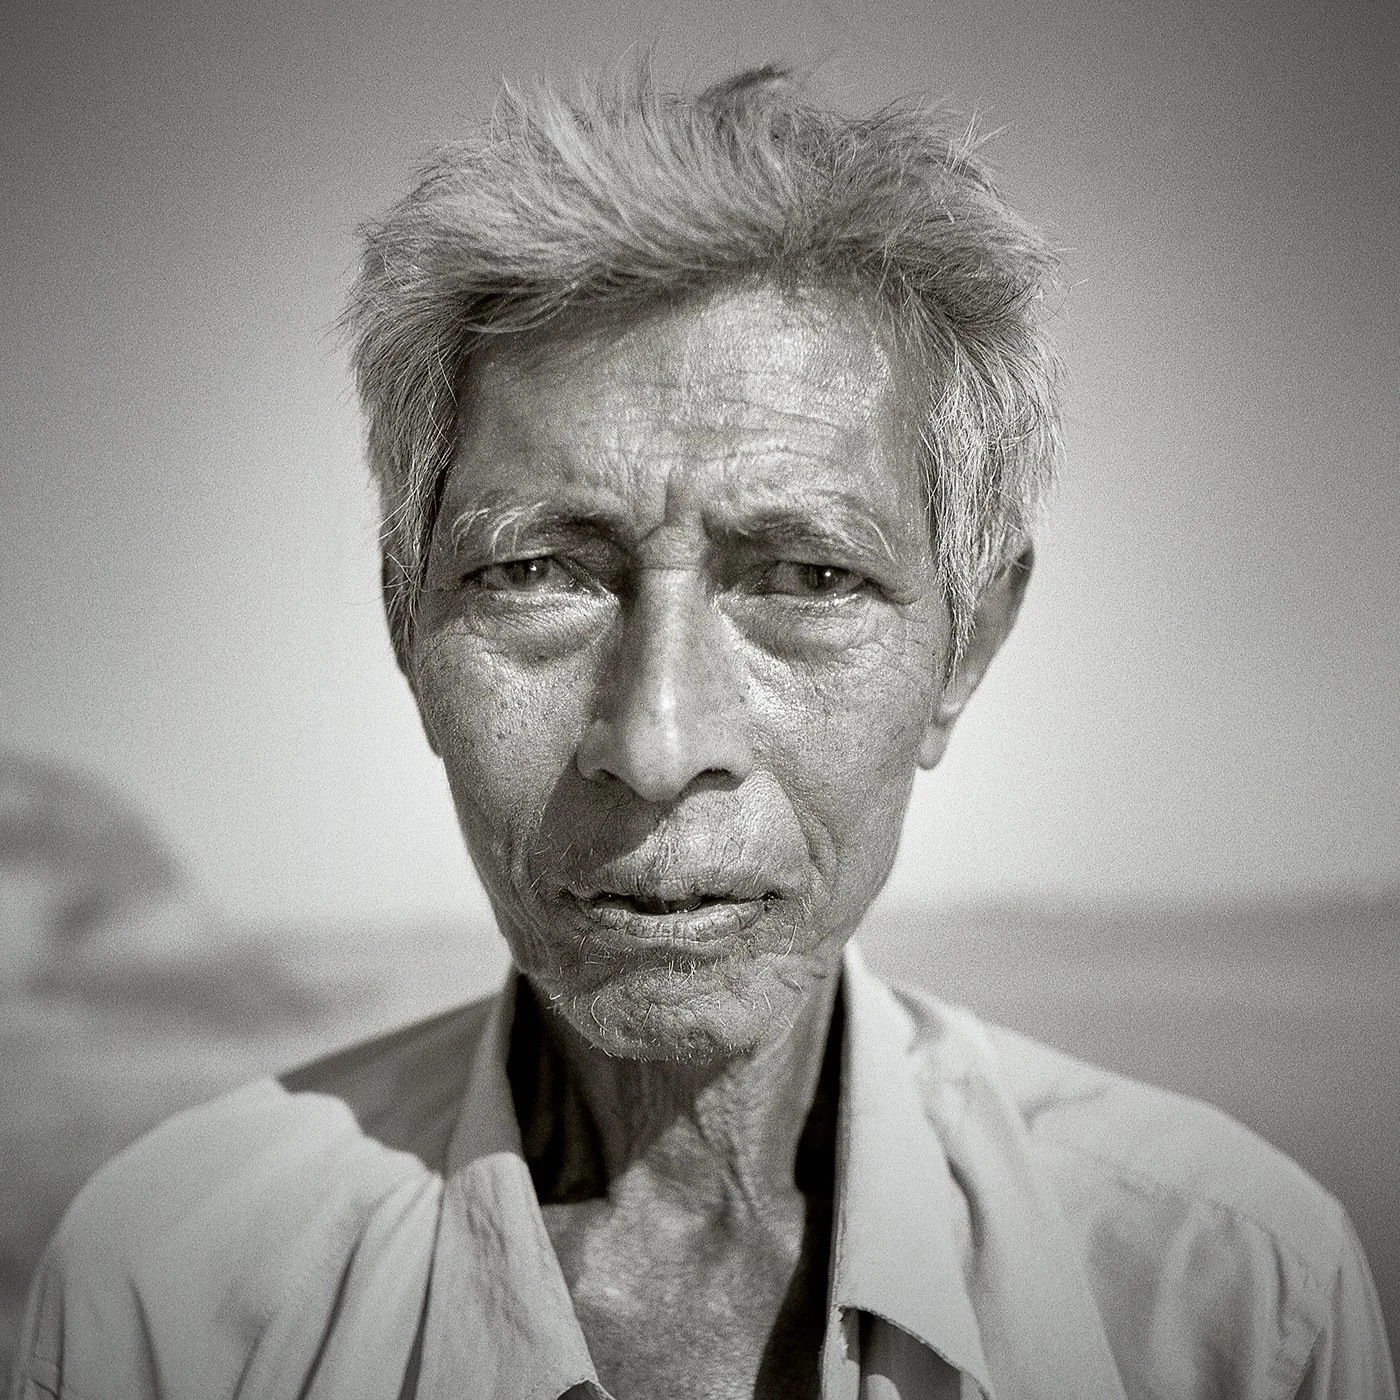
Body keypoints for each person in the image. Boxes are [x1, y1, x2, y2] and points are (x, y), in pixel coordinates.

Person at [9, 64, 1395, 1400]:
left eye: (808, 576)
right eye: (537, 572)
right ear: (407, 626)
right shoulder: (179, 1297)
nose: (659, 744)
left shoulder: (1227, 1302)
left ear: (965, 645)